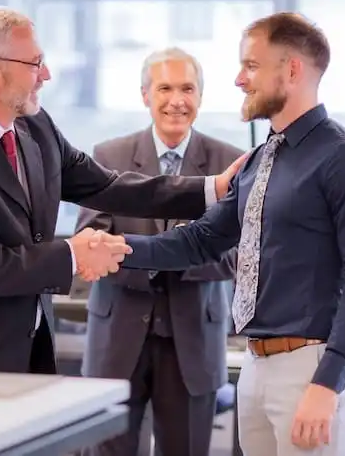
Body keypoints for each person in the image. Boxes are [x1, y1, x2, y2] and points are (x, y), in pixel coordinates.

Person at [0, 7, 244, 374]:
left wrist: (211, 188)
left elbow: (106, 185)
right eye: (35, 63)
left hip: (24, 351)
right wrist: (75, 255)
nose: (46, 75)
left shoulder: (34, 124)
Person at [97, 12, 345, 456]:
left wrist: (328, 383)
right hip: (256, 365)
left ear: (291, 69)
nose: (239, 79)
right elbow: (201, 240)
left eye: (251, 66)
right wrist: (116, 249)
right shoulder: (260, 161)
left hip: (311, 368)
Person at [76, 47, 243, 456]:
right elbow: (89, 240)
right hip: (116, 339)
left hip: (193, 342)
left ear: (201, 98)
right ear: (145, 95)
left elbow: (239, 254)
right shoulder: (108, 157)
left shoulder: (229, 163)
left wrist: (171, 254)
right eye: (165, 88)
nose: (176, 100)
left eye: (187, 88)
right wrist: (165, 252)